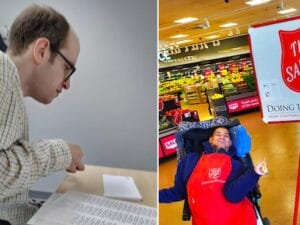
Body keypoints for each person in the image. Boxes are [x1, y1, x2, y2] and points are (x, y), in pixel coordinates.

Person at [0, 4, 84, 225]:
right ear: (41, 50)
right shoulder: (2, 71)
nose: (67, 84)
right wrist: (60, 153)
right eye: (67, 69)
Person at [159, 126, 268, 225]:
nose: (222, 137)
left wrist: (254, 173)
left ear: (230, 143)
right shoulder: (189, 161)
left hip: (238, 219)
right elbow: (178, 192)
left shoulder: (237, 165)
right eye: (218, 134)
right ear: (210, 140)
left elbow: (233, 195)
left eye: (226, 135)